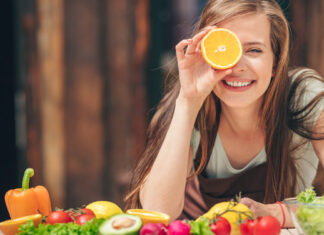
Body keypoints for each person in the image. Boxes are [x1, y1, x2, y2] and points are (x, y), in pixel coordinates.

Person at [125, 0, 324, 228]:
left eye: (254, 50)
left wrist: (278, 213)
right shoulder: (190, 105)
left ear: (275, 63)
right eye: (225, 50)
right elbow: (156, 212)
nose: (236, 65)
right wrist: (189, 102)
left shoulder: (303, 96)